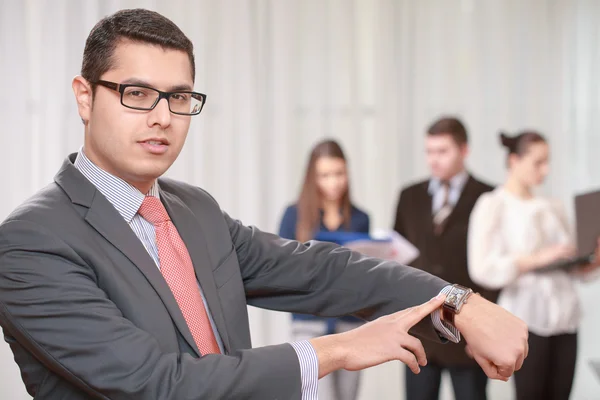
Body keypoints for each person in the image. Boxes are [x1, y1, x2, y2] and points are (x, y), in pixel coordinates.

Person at [0, 9, 528, 400]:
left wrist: (459, 300)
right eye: (137, 93)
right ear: (85, 97)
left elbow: (317, 270)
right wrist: (338, 351)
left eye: (179, 98)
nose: (163, 117)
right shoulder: (30, 243)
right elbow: (156, 385)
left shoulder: (193, 210)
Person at [468, 131, 600, 400]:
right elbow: (482, 268)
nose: (546, 170)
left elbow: (572, 267)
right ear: (514, 161)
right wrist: (536, 259)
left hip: (565, 318)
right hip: (526, 319)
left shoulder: (553, 207)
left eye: (547, 162)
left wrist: (591, 260)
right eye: (538, 162)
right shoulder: (493, 205)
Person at [393, 117, 498, 400]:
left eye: (442, 151)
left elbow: (494, 267)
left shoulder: (488, 197)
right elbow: (398, 259)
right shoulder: (409, 197)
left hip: (466, 328)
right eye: (429, 152)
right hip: (420, 330)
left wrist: (483, 328)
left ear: (464, 150)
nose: (433, 160)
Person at [279, 139, 369, 400]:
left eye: (339, 174)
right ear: (312, 177)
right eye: (325, 175)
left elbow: (366, 274)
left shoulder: (360, 218)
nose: (333, 182)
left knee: (348, 396)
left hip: (351, 323)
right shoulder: (294, 216)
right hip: (310, 323)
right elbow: (279, 270)